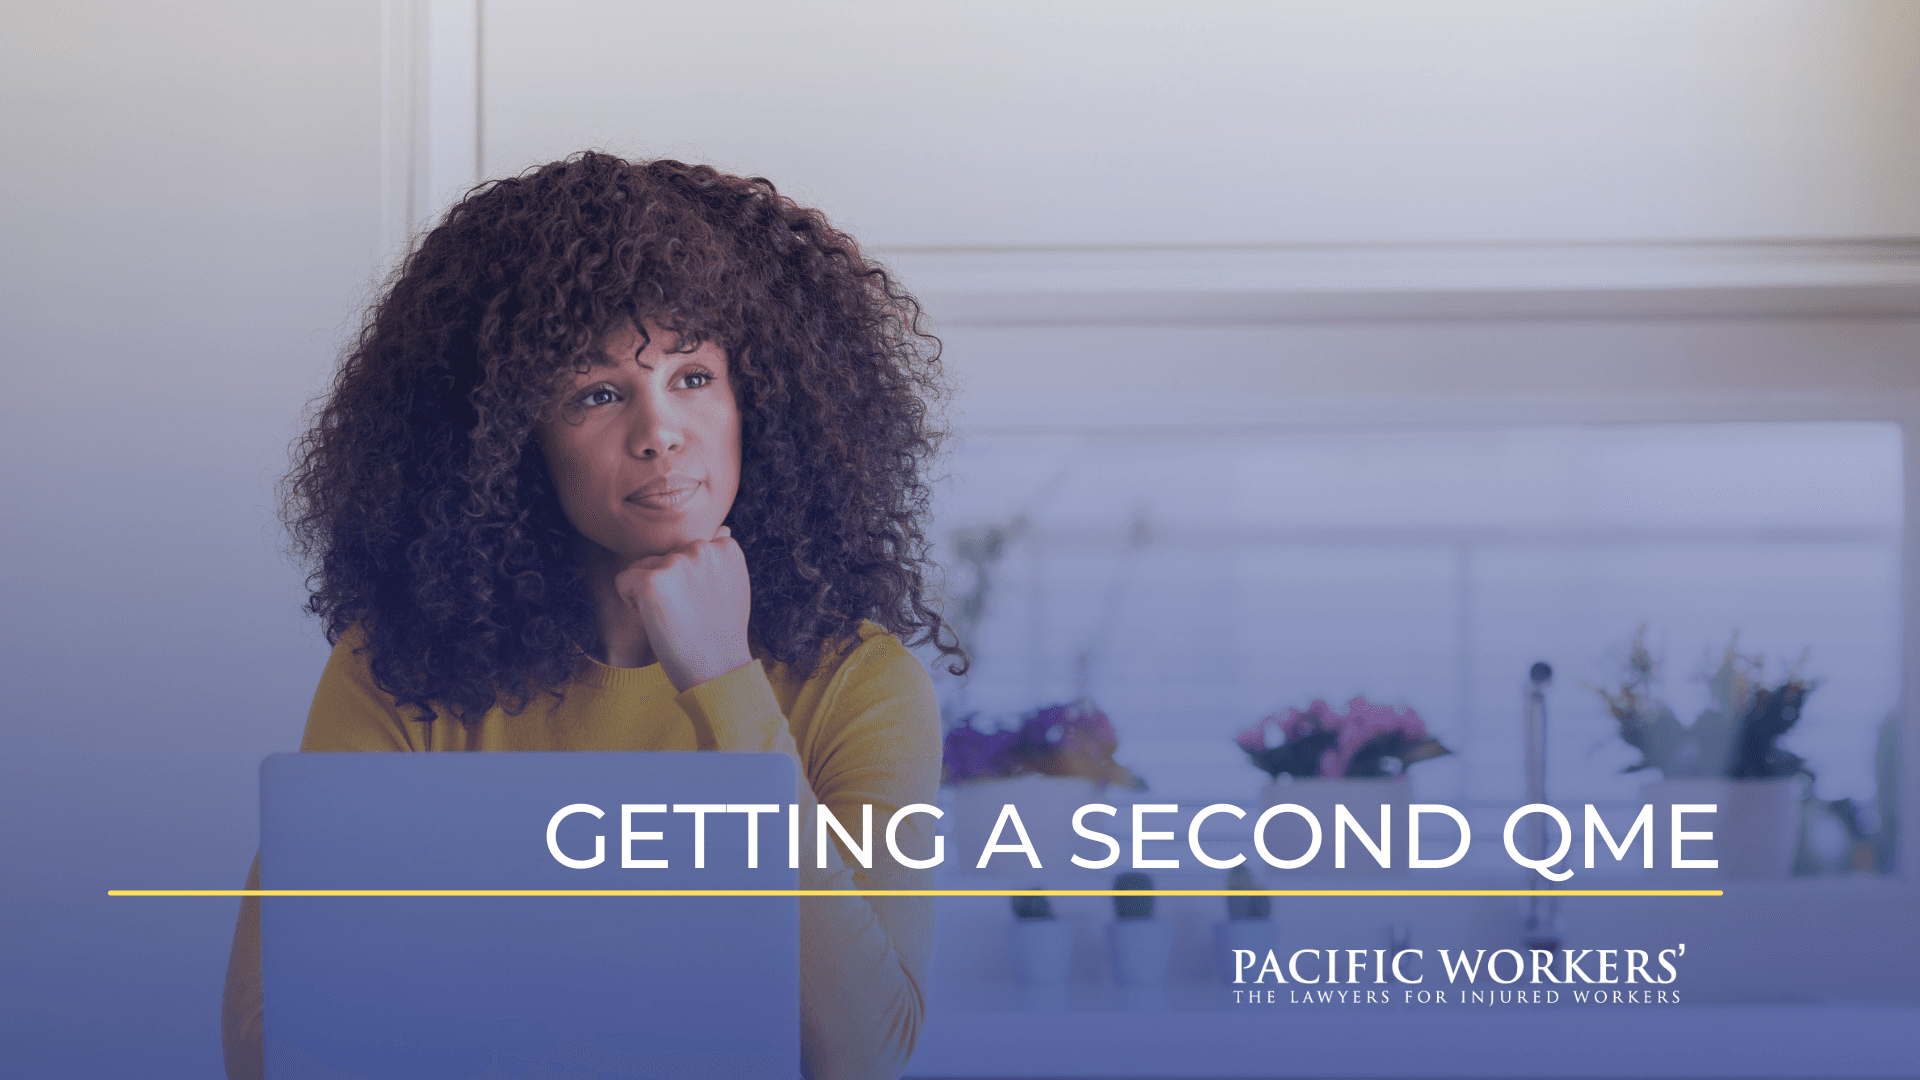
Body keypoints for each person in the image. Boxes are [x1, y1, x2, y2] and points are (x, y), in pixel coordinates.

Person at [221, 152, 963, 1080]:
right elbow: (269, 1040)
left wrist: (725, 684)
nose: (659, 431)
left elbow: (864, 1052)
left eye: (693, 376)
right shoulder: (402, 669)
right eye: (597, 394)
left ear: (756, 402)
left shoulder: (858, 681)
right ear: (509, 444)